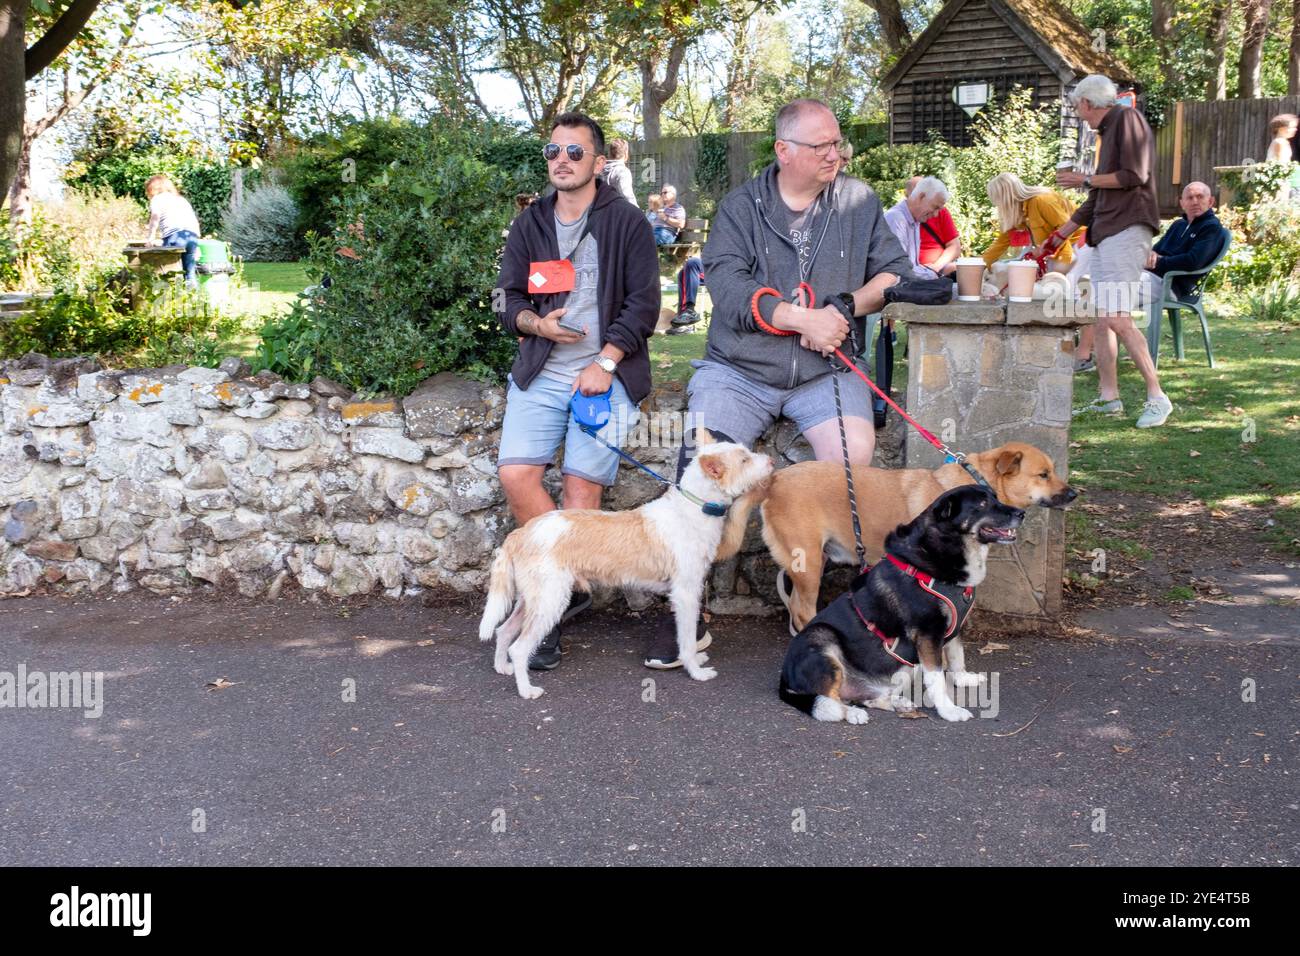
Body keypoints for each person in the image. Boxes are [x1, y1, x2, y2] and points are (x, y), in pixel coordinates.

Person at [642, 97, 909, 669]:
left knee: (854, 458)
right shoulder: (741, 206)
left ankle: (830, 602)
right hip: (740, 370)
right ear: (784, 151)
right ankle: (687, 609)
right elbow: (730, 289)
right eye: (822, 146)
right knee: (702, 460)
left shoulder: (859, 200)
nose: (835, 154)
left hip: (825, 371)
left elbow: (894, 273)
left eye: (838, 144)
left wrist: (843, 308)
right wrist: (798, 318)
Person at [494, 111, 660, 670]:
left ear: (597, 162)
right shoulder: (530, 222)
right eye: (553, 151)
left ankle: (548, 614)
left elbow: (645, 305)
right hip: (541, 368)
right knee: (516, 474)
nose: (561, 160)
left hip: (604, 376)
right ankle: (571, 583)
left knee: (579, 494)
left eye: (574, 152)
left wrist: (607, 361)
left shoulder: (628, 222)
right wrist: (537, 326)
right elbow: (506, 299)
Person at [1051, 74, 1171, 429]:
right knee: (1100, 318)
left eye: (1078, 108)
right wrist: (1062, 233)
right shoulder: (1108, 133)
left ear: (1087, 103)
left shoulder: (1126, 119)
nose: (1080, 115)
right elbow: (1097, 197)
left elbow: (1134, 174)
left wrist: (1083, 178)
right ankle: (1109, 398)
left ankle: (1157, 396)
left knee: (1117, 317)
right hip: (1106, 232)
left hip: (1128, 228)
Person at [982, 172, 1080, 272]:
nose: (998, 206)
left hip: (1080, 242)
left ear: (1006, 198)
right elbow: (1001, 242)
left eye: (997, 201)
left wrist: (1060, 259)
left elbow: (1066, 227)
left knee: (1067, 283)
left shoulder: (1042, 200)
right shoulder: (1019, 213)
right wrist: (981, 265)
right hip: (1058, 249)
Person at [883, 176, 956, 278]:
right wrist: (933, 274)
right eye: (935, 207)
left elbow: (911, 267)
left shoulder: (915, 219)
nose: (935, 215)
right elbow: (899, 270)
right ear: (921, 197)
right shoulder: (896, 219)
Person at [144, 174, 202, 286]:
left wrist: (150, 238)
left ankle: (171, 300)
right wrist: (197, 243)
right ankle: (195, 300)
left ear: (152, 188)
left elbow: (155, 216)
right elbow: (194, 220)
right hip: (191, 236)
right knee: (190, 274)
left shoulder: (157, 199)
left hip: (174, 236)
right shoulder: (180, 199)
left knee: (168, 273)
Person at [903, 175, 961, 275]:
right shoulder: (899, 218)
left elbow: (954, 247)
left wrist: (936, 267)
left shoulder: (939, 212)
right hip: (914, 272)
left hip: (939, 268)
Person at [1265, 113, 1300, 200]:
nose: (1295, 130)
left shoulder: (1284, 142)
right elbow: (1281, 165)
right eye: (1292, 127)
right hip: (1281, 182)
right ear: (1281, 129)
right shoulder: (1279, 143)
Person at [668, 256, 704, 332]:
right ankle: (682, 321)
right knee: (682, 273)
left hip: (725, 268)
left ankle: (689, 310)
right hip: (712, 264)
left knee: (693, 263)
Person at [603, 139, 638, 206]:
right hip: (618, 213)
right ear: (626, 154)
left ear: (610, 154)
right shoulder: (622, 171)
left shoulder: (599, 171)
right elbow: (627, 195)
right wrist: (638, 213)